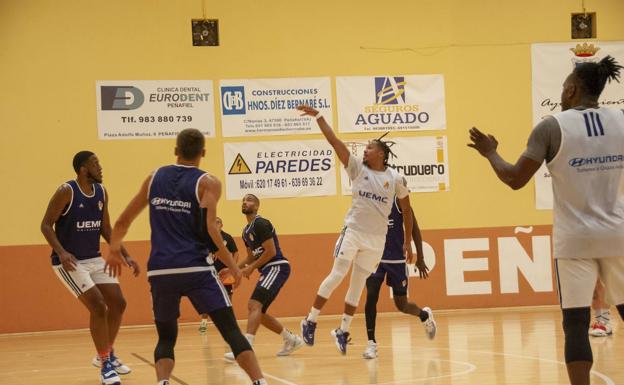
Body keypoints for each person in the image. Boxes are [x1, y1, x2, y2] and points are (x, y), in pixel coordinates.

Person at [467, 56, 624, 385]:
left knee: (577, 323)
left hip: (575, 240)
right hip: (618, 234)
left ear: (570, 89)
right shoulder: (621, 119)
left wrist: (490, 152)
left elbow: (514, 179)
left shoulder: (551, 127)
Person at [105, 128, 268, 385]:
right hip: (196, 269)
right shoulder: (208, 182)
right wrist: (233, 266)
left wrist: (114, 250)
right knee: (231, 331)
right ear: (203, 153)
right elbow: (209, 228)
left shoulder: (154, 178)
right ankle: (260, 382)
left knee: (166, 337)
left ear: (175, 151)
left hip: (161, 270)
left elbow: (123, 221)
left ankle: (163, 382)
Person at [297, 104, 417, 355]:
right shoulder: (356, 168)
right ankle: (310, 320)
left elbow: (407, 211)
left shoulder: (396, 178)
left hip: (376, 240)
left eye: (370, 147)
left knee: (357, 287)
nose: (365, 149)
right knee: (337, 275)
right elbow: (334, 141)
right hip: (352, 232)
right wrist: (318, 117)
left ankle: (342, 330)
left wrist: (407, 242)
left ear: (382, 154)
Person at [40, 151, 139, 385]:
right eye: (96, 164)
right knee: (98, 306)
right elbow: (45, 225)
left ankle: (106, 353)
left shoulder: (102, 192)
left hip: (94, 259)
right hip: (69, 261)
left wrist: (124, 254)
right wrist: (62, 252)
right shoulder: (67, 191)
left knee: (119, 302)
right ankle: (105, 365)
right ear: (83, 169)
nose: (100, 167)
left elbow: (105, 228)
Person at [223, 194, 303, 359]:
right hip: (267, 269)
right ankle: (291, 340)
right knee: (260, 312)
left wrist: (251, 268)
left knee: (253, 304)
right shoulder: (246, 231)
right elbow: (251, 257)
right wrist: (232, 269)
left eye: (250, 200)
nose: (245, 202)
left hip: (277, 266)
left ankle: (245, 348)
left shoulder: (260, 223)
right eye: (243, 200)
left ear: (257, 206)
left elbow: (271, 251)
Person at [362, 196, 436, 359]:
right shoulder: (368, 199)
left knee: (401, 305)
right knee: (371, 294)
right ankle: (371, 343)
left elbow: (415, 228)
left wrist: (420, 258)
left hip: (397, 259)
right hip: (375, 258)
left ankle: (424, 315)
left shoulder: (399, 200)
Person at [199, 217, 238, 334]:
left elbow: (236, 252)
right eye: (213, 222)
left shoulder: (227, 237)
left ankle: (229, 323)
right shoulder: (206, 237)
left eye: (217, 222)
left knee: (228, 297)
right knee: (207, 297)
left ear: (222, 224)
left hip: (225, 272)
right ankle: (204, 322)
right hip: (210, 271)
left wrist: (232, 267)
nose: (215, 224)